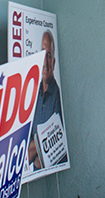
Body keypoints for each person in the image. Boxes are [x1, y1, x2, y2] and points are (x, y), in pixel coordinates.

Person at [28, 30, 67, 169]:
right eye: (42, 54)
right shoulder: (33, 95)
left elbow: (56, 145)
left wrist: (34, 147)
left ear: (54, 62)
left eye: (49, 55)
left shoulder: (58, 96)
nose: (45, 60)